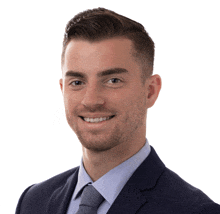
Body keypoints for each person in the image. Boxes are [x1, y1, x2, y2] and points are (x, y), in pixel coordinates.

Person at [16, 7, 220, 214]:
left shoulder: (195, 210)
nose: (91, 100)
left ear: (150, 91)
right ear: (63, 89)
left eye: (113, 80)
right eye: (77, 82)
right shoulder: (33, 202)